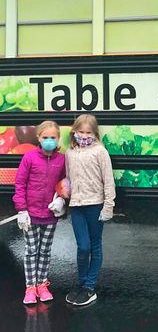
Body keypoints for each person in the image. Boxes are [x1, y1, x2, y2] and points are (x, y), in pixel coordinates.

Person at [64, 114, 116, 306]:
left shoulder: (100, 151)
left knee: (95, 245)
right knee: (82, 246)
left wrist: (108, 206)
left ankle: (89, 287)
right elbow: (68, 179)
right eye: (81, 132)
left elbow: (108, 180)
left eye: (88, 132)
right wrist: (62, 199)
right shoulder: (70, 153)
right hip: (77, 206)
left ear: (95, 133)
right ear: (74, 132)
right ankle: (81, 282)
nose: (84, 136)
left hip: (95, 205)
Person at [12, 121, 66, 305]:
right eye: (45, 137)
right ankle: (30, 288)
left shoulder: (62, 160)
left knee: (45, 251)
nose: (49, 141)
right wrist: (21, 209)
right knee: (31, 251)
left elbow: (65, 183)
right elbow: (20, 184)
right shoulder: (29, 158)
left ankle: (42, 285)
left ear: (58, 138)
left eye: (53, 137)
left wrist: (61, 200)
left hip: (50, 216)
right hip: (31, 214)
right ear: (38, 138)